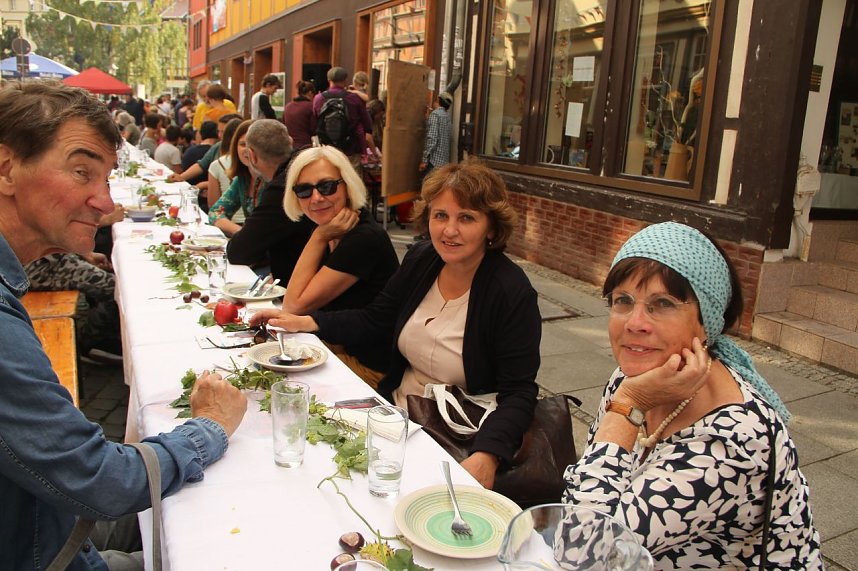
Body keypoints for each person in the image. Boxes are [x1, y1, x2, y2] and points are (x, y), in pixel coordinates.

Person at [0, 80, 247, 570]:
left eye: (107, 178)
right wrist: (211, 427)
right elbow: (105, 481)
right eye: (81, 172)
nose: (103, 200)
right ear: (7, 169)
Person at [250, 158, 541, 487]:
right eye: (440, 215)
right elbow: (376, 318)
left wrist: (488, 454)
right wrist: (307, 322)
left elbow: (519, 391)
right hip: (399, 418)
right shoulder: (423, 259)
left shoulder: (511, 293)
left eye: (466, 218)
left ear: (491, 227)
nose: (449, 230)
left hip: (460, 434)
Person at [563, 222, 821, 568]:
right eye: (623, 300)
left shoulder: (734, 441)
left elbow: (582, 551)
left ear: (706, 322)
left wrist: (625, 407)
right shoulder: (636, 378)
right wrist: (629, 401)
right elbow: (593, 488)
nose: (635, 323)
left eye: (662, 303)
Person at [226, 119, 314, 283]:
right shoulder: (303, 169)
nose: (318, 197)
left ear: (252, 155)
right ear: (290, 142)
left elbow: (239, 252)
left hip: (308, 282)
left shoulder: (282, 188)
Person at [312, 66, 375, 174]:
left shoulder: (318, 98)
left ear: (329, 80)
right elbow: (367, 124)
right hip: (351, 148)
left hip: (328, 150)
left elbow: (315, 122)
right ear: (345, 80)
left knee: (330, 177)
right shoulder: (353, 98)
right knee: (353, 180)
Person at [208, 120, 264, 236]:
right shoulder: (242, 180)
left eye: (253, 145)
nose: (247, 150)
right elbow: (214, 212)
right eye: (243, 144)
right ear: (235, 148)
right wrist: (241, 231)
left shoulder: (271, 180)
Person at [207, 117, 242, 206]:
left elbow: (213, 206)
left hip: (225, 213)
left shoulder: (217, 165)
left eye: (222, 132)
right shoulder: (257, 164)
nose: (219, 135)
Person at [419, 91, 453, 174]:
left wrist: (424, 160)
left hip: (434, 163)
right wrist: (428, 119)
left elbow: (432, 139)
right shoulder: (447, 116)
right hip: (444, 162)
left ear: (438, 100)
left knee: (429, 182)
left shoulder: (435, 115)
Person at [180, 120, 218, 186]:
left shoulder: (189, 151)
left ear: (200, 134)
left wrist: (180, 177)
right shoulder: (217, 152)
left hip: (188, 187)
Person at [283, 79, 316, 149]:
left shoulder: (288, 106)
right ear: (310, 93)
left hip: (289, 144)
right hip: (304, 145)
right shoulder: (310, 106)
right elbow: (313, 129)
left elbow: (283, 124)